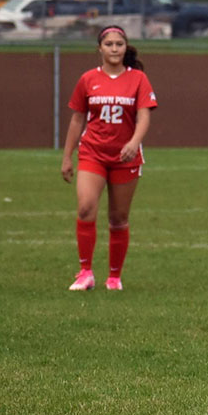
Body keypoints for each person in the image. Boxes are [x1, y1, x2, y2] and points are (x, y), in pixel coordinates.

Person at [61, 24, 158, 291]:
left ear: (125, 47)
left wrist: (133, 143)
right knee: (85, 208)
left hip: (125, 157)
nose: (114, 49)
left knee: (118, 218)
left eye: (119, 44)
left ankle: (114, 277)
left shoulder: (138, 78)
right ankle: (85, 273)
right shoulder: (87, 79)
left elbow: (144, 116)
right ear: (99, 48)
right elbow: (77, 118)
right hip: (93, 152)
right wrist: (67, 156)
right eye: (109, 44)